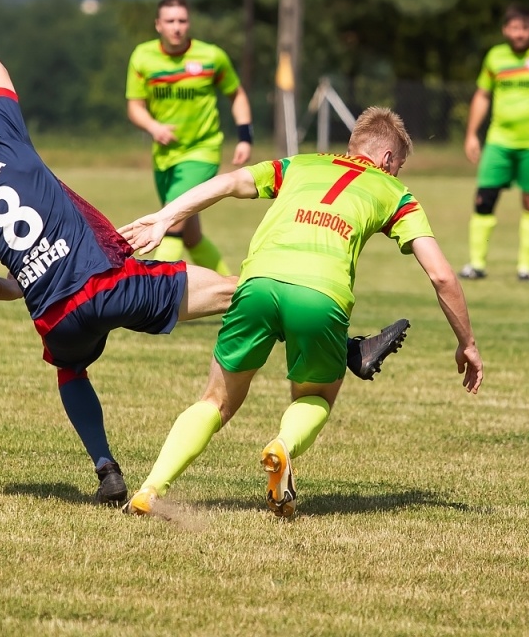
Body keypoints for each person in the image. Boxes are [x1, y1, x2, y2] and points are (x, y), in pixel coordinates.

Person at [0, 59, 407, 505]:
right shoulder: (9, 144)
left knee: (70, 371)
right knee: (244, 291)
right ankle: (345, 349)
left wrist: (28, 285)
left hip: (57, 315)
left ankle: (106, 468)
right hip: (108, 282)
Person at [121, 107, 482, 519]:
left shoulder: (301, 164)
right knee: (316, 394)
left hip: (256, 284)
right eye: (398, 166)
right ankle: (282, 447)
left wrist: (167, 216)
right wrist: (466, 343)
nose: (397, 174)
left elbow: (231, 182)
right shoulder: (395, 193)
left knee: (216, 400)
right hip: (321, 297)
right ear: (386, 160)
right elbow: (441, 276)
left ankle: (150, 489)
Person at [125, 0, 252, 273]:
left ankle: (155, 302)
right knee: (191, 236)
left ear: (189, 23)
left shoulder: (211, 57)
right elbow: (135, 107)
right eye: (170, 21)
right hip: (165, 157)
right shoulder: (143, 57)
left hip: (202, 152)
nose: (177, 27)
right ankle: (235, 294)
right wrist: (153, 127)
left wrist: (245, 136)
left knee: (169, 222)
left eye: (182, 20)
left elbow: (237, 94)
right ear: (158, 25)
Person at [460, 5, 529, 283]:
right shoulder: (495, 57)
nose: (519, 34)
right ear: (505, 30)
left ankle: (525, 267)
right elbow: (482, 95)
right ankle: (476, 264)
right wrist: (472, 133)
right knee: (484, 198)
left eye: (524, 28)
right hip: (499, 141)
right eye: (513, 28)